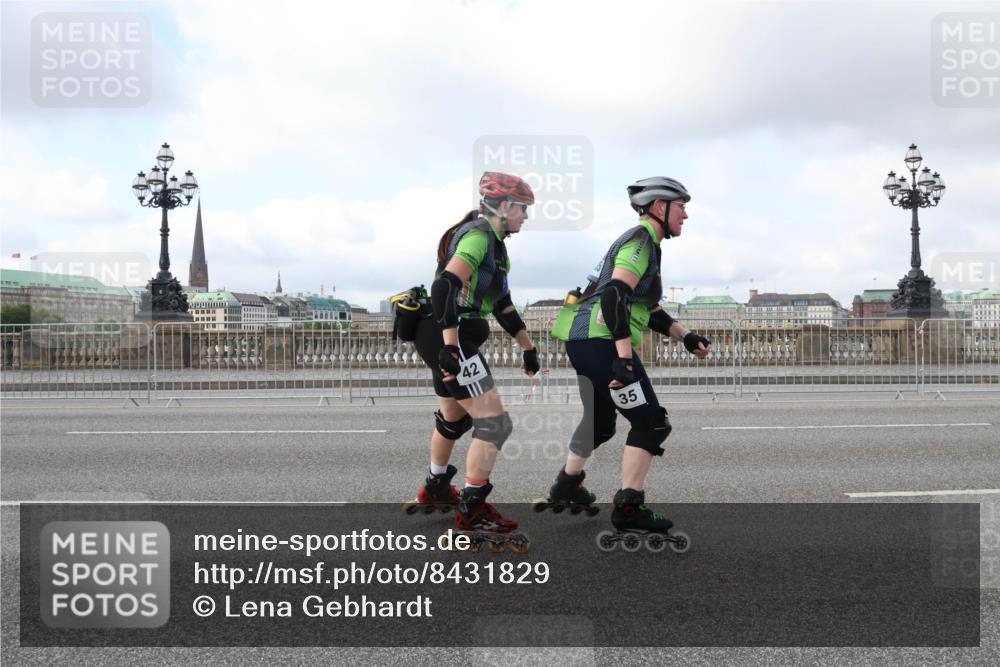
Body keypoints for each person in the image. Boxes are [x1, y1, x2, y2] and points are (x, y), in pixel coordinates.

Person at [548, 176, 711, 541]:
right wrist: (624, 358)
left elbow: (646, 307)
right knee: (652, 423)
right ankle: (628, 508)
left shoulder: (647, 244)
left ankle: (566, 485)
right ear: (659, 206)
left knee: (601, 423)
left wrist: (686, 336)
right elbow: (613, 296)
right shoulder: (639, 242)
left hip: (583, 340)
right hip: (602, 342)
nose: (685, 215)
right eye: (682, 206)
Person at [409, 172, 540, 546]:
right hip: (449, 336)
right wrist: (451, 348)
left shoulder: (496, 246)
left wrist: (527, 346)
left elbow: (502, 304)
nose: (526, 218)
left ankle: (436, 486)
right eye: (524, 210)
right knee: (494, 423)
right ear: (505, 206)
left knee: (453, 419)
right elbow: (444, 286)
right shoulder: (480, 236)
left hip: (441, 334)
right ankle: (472, 510)